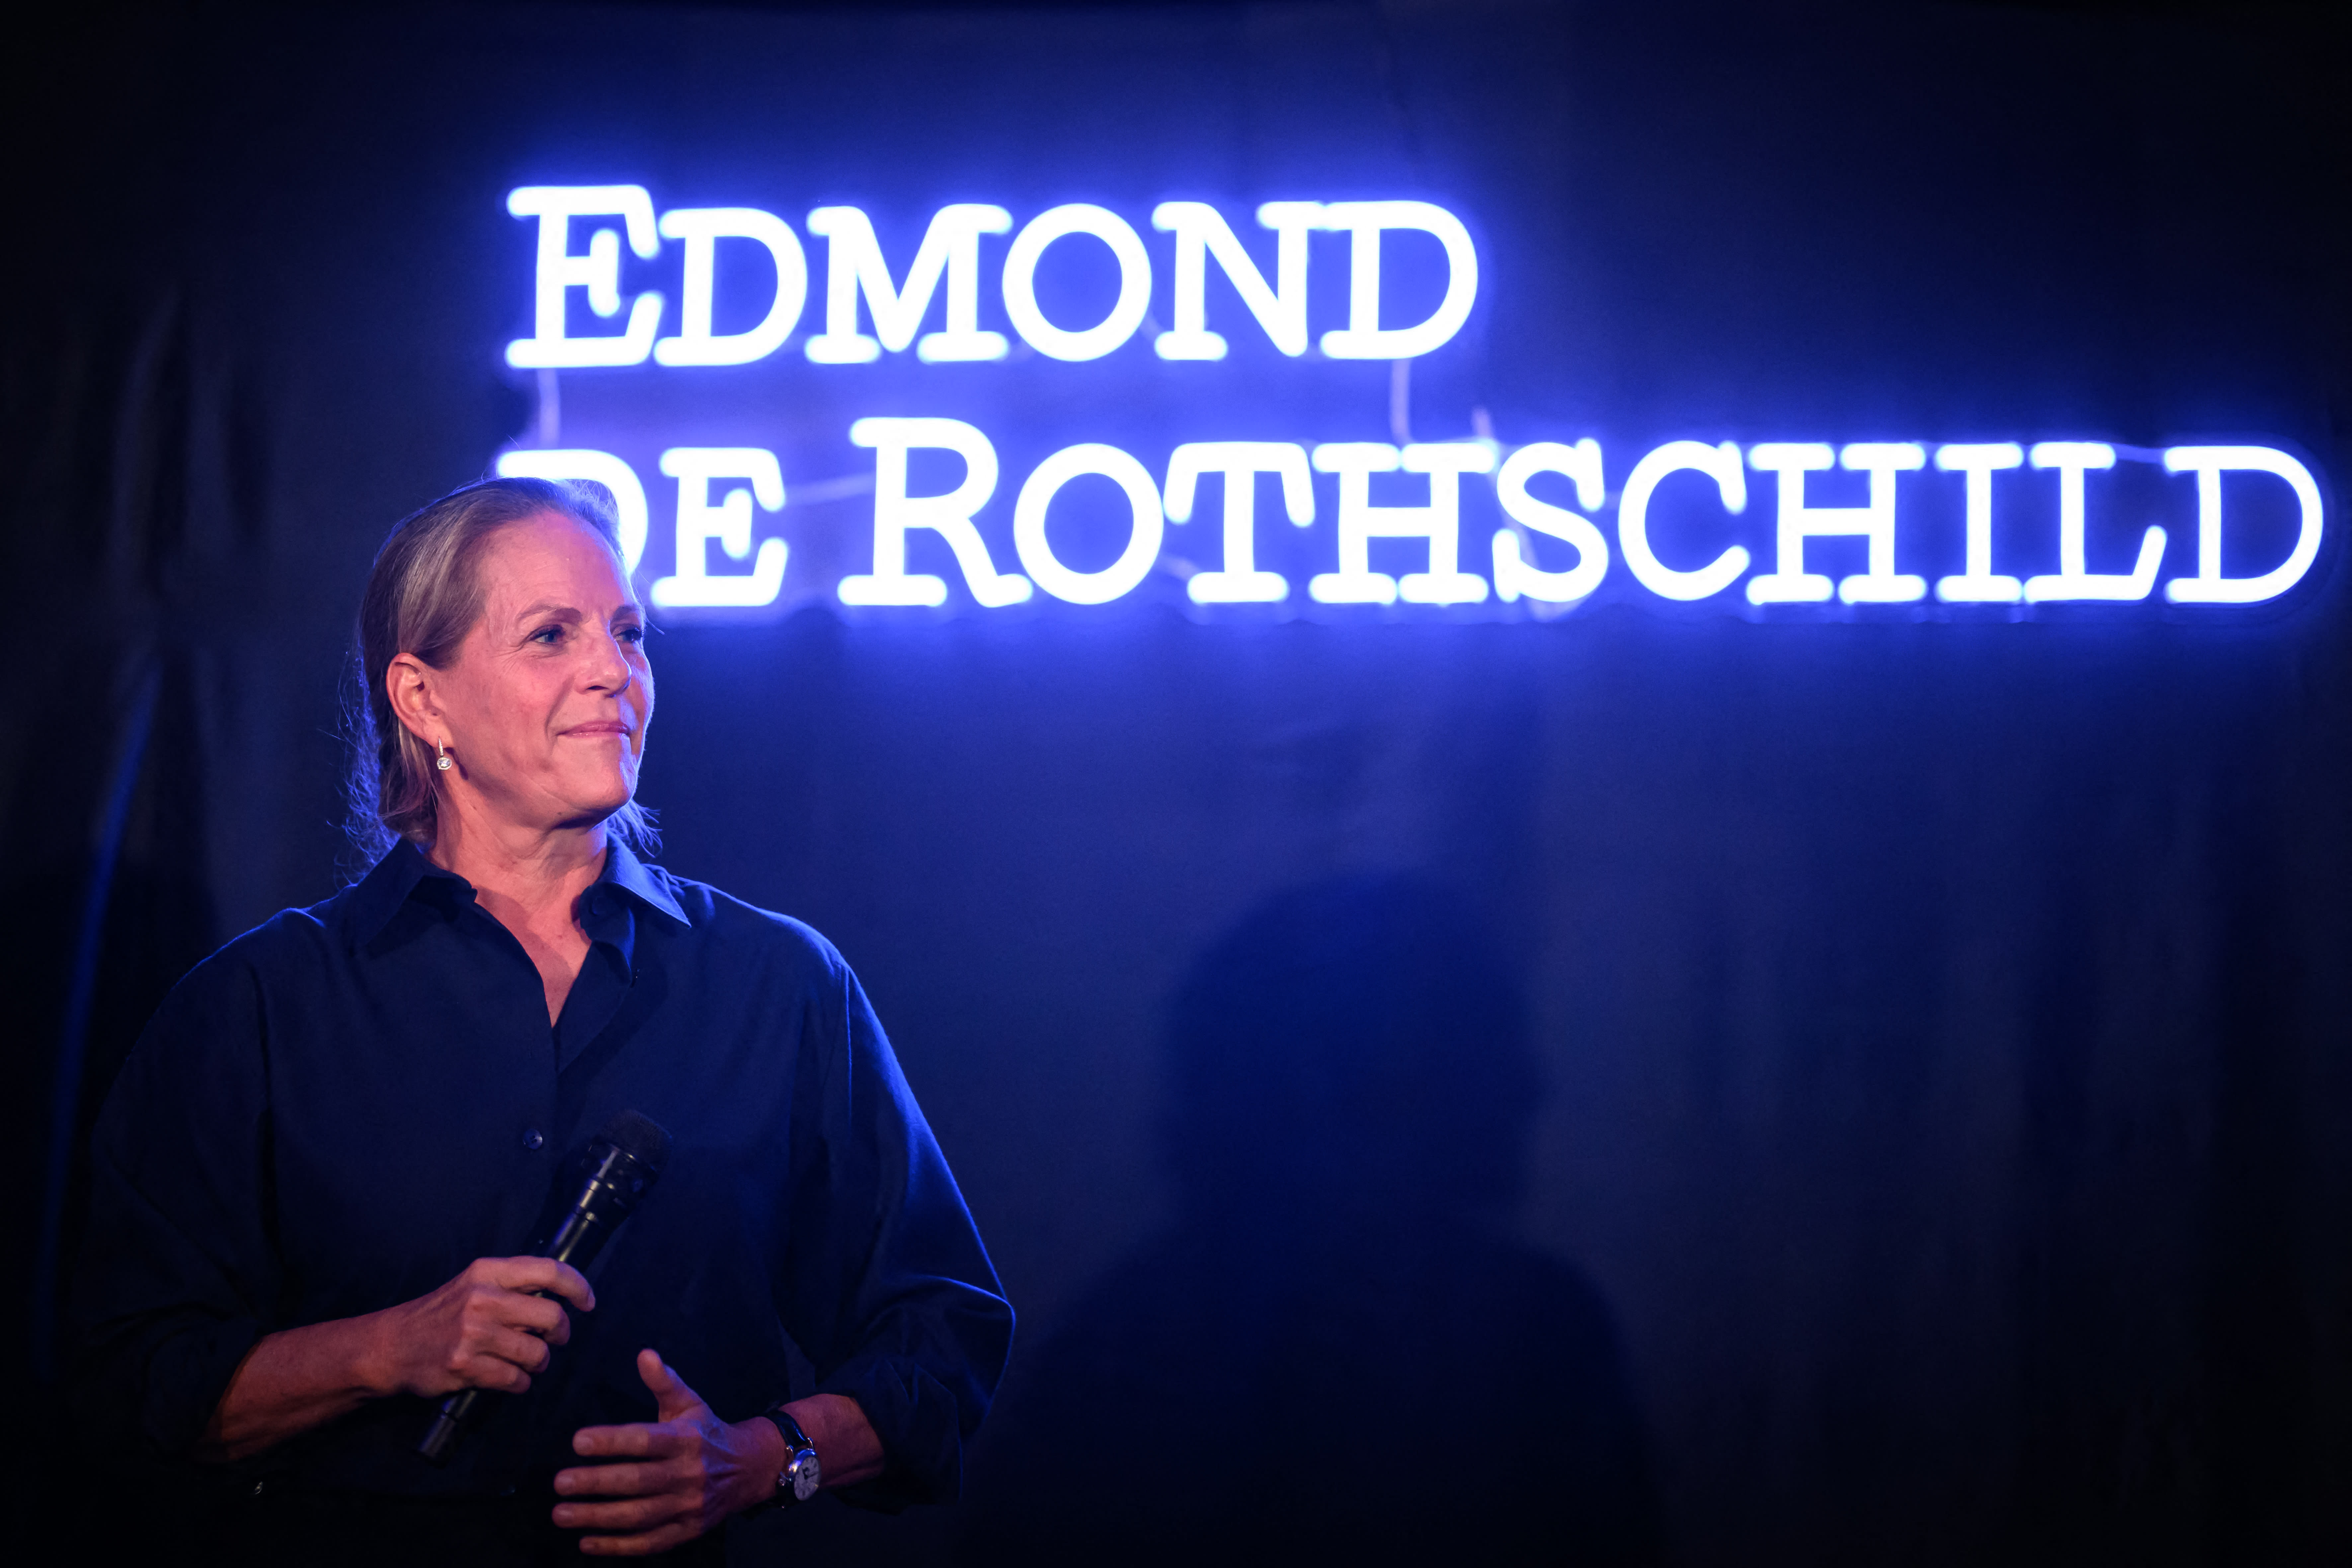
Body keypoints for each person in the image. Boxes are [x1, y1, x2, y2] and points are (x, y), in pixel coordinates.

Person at [67, 477, 1013, 1563]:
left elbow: (941, 1334)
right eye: (551, 635)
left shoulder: (780, 984)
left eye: (628, 633)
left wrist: (765, 1456)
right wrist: (387, 1348)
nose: (613, 670)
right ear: (423, 699)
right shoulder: (260, 1006)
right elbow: (125, 1381)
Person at [960, 873, 1661, 1567]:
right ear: (1320, 1093)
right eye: (1476, 1052)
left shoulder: (1115, 1354)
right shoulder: (1542, 1333)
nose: (1530, 1085)